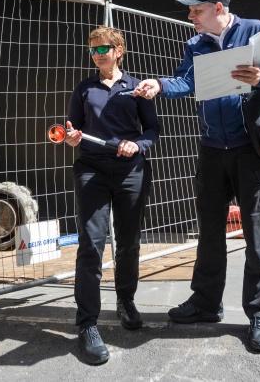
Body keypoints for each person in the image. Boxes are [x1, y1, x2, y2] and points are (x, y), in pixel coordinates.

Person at [133, 0, 260, 352]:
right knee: (209, 232)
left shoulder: (255, 31)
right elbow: (185, 81)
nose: (191, 16)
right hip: (211, 150)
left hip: (249, 149)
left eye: (197, 10)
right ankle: (206, 304)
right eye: (190, 11)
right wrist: (159, 85)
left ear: (219, 8)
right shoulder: (196, 44)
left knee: (257, 235)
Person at [65, 26, 160, 365]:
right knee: (91, 244)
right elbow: (72, 128)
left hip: (130, 171)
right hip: (92, 171)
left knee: (129, 242)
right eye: (93, 50)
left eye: (103, 48)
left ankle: (126, 302)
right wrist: (72, 137)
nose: (97, 54)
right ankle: (87, 324)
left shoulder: (137, 88)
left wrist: (138, 144)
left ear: (119, 51)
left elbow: (152, 129)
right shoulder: (84, 88)